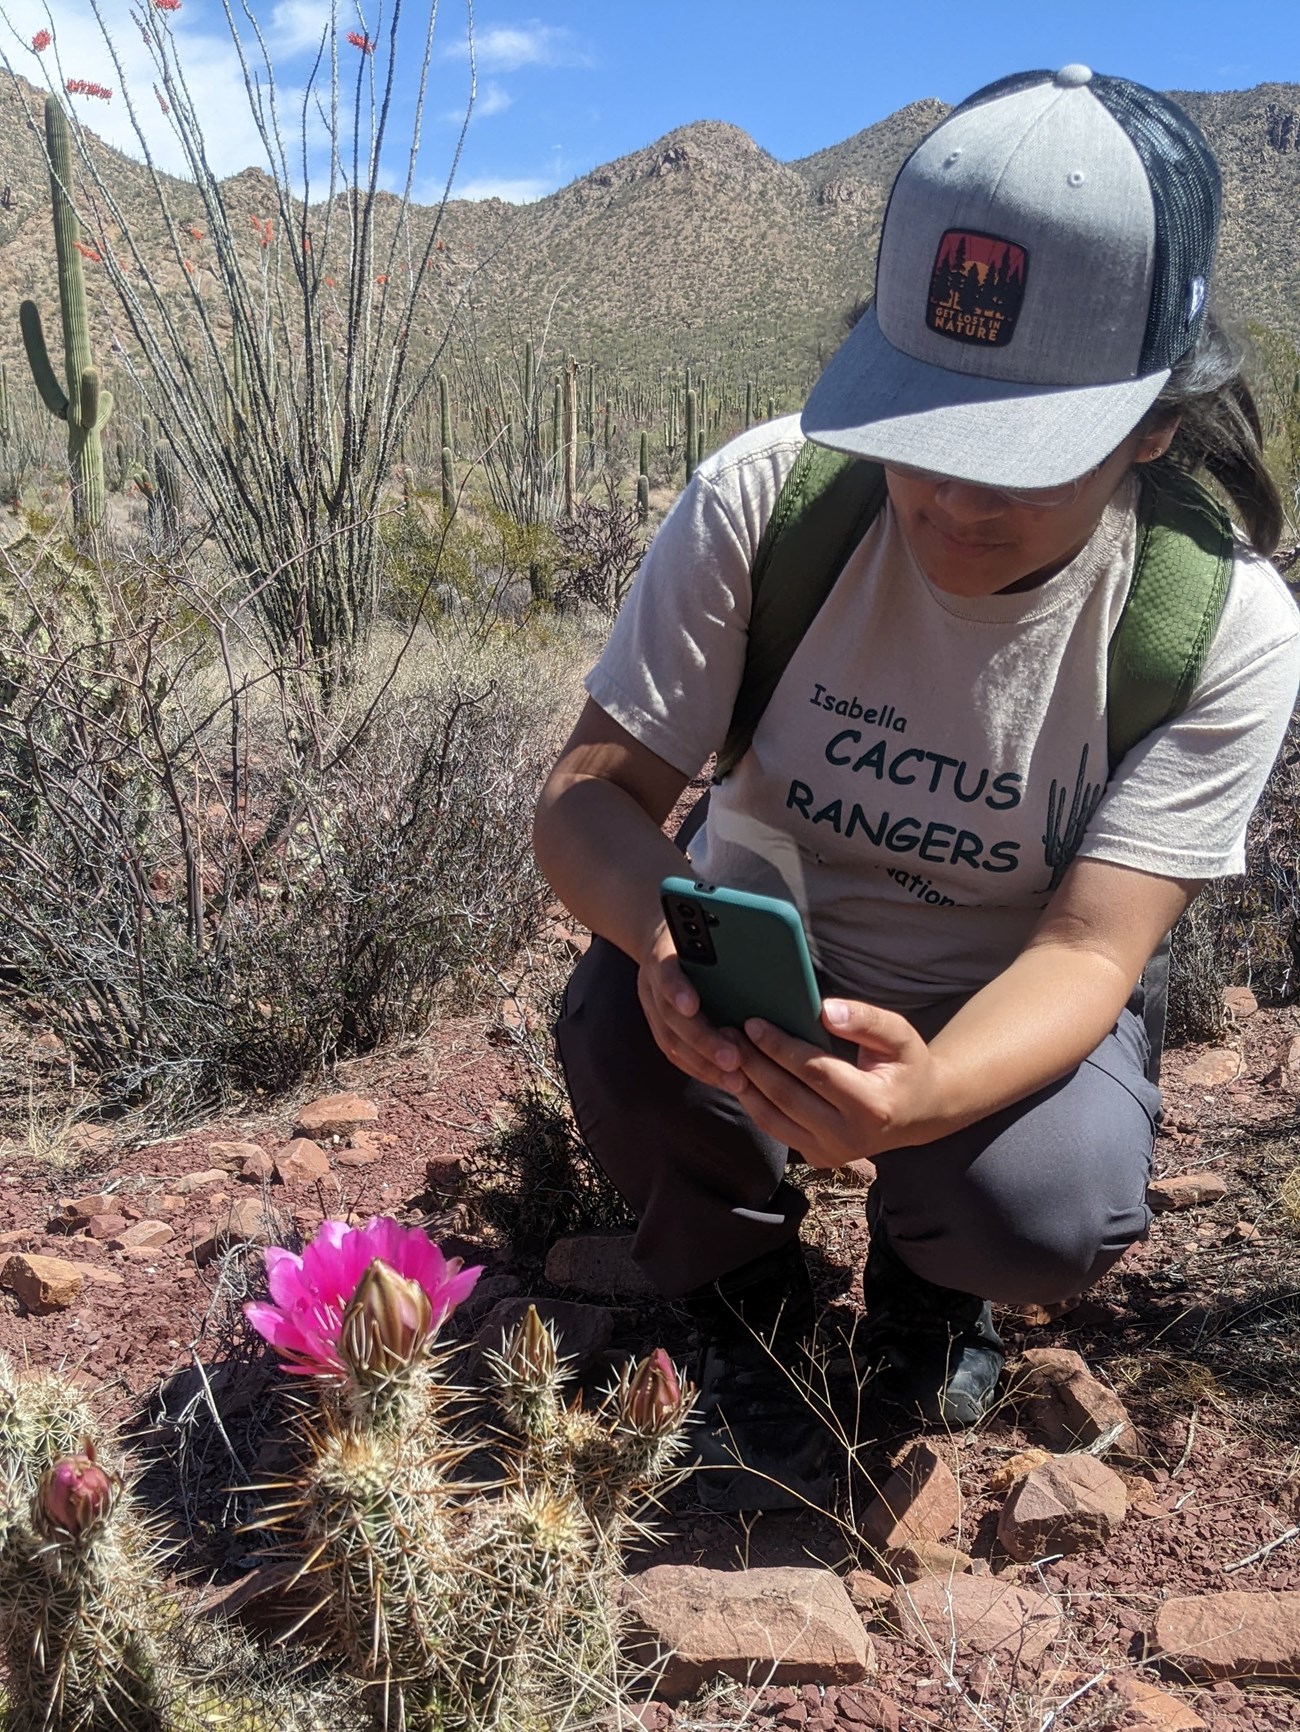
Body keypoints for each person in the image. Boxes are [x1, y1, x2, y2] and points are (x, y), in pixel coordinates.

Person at [532, 66, 1300, 1510]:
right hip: (751, 970)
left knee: (1042, 1200)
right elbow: (586, 804)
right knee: (629, 1058)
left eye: (1016, 455)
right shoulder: (771, 502)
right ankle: (741, 1280)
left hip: (993, 1012)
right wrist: (658, 949)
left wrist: (929, 1090)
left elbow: (1090, 947)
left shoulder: (1219, 622)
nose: (949, 497)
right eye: (923, 433)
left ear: (1152, 425)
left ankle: (928, 1282)